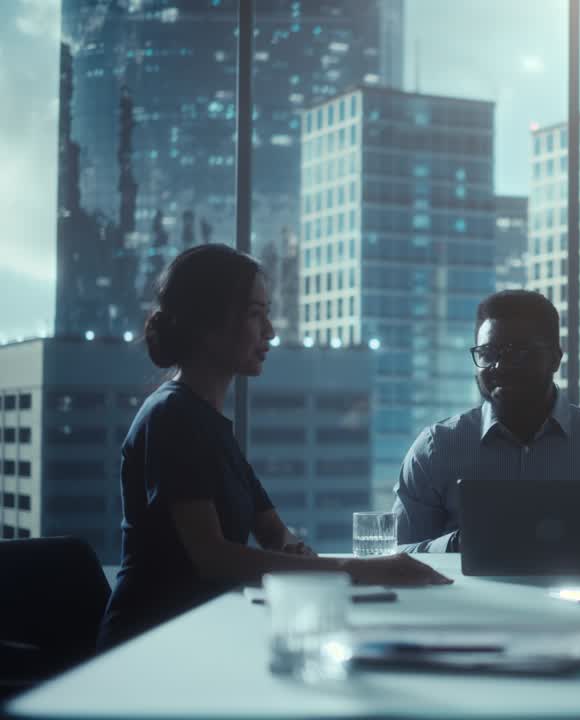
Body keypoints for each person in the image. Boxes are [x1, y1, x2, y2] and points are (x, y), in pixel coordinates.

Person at [99, 244, 451, 650]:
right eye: (254, 313)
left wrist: (295, 552)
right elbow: (213, 557)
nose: (269, 330)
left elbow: (274, 532)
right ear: (206, 323)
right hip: (150, 643)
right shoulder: (171, 416)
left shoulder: (210, 425)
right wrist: (362, 570)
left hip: (199, 634)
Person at [392, 290, 580, 552]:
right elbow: (398, 555)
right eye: (488, 353)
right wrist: (455, 545)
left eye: (519, 353)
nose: (501, 366)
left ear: (555, 359)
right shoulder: (436, 448)